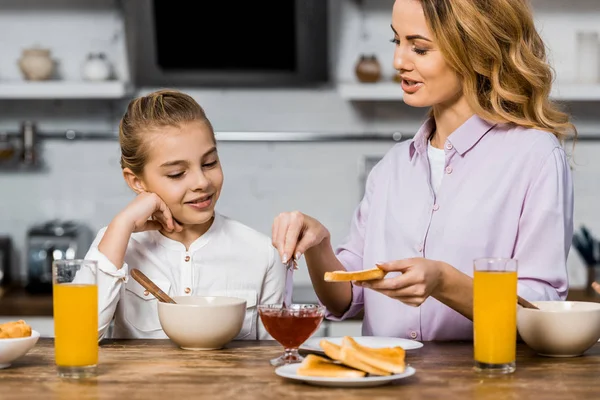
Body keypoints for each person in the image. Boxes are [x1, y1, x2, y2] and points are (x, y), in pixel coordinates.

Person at [271, 0, 576, 341]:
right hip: (386, 386)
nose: (399, 61)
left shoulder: (535, 156)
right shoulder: (391, 168)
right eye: (396, 42)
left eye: (419, 48)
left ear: (474, 49)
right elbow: (347, 299)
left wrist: (445, 282)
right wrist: (318, 245)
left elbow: (541, 308)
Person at [79, 89, 285, 340]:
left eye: (209, 163)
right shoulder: (114, 243)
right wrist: (121, 224)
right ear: (136, 182)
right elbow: (77, 336)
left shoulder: (263, 253)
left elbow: (274, 357)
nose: (201, 181)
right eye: (177, 173)